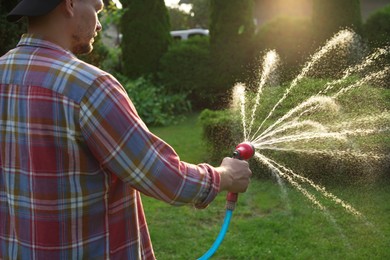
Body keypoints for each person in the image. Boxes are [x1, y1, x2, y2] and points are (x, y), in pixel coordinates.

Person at [0, 0, 252, 259]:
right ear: (70, 4)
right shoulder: (89, 87)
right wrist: (224, 176)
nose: (99, 24)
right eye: (97, 9)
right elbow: (163, 176)